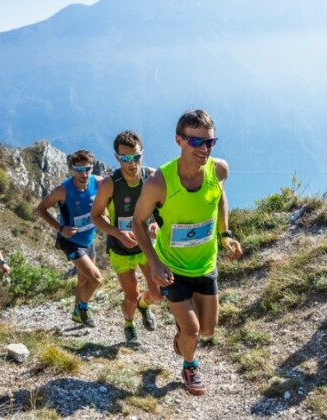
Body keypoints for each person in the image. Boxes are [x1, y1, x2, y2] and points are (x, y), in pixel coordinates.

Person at [132, 109, 243, 395]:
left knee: (207, 331)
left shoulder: (219, 170)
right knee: (193, 332)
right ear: (179, 140)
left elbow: (219, 197)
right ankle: (190, 366)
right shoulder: (160, 182)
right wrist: (154, 263)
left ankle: (183, 337)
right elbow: (137, 221)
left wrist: (225, 235)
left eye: (210, 142)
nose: (204, 149)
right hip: (172, 269)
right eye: (196, 142)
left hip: (205, 265)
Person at [91, 130, 162, 346]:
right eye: (125, 158)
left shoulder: (152, 178)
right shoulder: (110, 184)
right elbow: (95, 216)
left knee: (158, 294)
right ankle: (129, 323)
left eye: (136, 157)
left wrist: (156, 225)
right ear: (117, 158)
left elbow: (163, 211)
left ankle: (144, 305)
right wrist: (118, 233)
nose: (131, 163)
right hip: (120, 249)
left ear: (142, 154)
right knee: (130, 296)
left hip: (146, 246)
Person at [37, 149, 104, 328]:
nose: (84, 174)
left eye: (88, 169)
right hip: (70, 241)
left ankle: (76, 313)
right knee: (96, 278)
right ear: (73, 169)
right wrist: (61, 228)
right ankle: (83, 307)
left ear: (92, 168)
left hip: (89, 239)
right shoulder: (62, 190)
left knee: (83, 279)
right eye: (79, 169)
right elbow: (41, 209)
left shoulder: (98, 182)